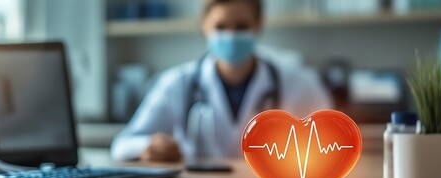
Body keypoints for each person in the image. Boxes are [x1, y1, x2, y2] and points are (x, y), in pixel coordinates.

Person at [111, 0, 332, 162]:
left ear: (258, 25)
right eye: (221, 27)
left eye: (241, 27)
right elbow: (122, 145)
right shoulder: (175, 83)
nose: (231, 36)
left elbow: (331, 146)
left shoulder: (300, 84)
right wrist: (147, 147)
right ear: (204, 26)